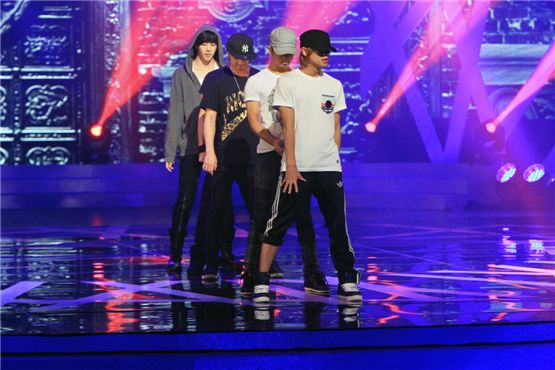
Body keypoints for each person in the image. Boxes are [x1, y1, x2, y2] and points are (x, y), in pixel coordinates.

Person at [253, 30, 362, 303]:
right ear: (305, 51)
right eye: (320, 50)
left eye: (328, 51)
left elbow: (336, 127)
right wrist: (290, 165)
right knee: (277, 223)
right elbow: (288, 128)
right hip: (297, 168)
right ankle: (261, 281)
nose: (325, 55)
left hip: (328, 167)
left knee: (338, 224)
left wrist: (333, 159)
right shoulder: (289, 82)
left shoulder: (334, 85)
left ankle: (347, 278)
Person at [241, 26, 329, 298]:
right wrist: (275, 140)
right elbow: (255, 120)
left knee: (303, 216)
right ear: (270, 50)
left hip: (300, 156)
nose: (285, 59)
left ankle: (312, 274)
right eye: (280, 54)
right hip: (270, 155)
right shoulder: (257, 81)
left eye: (289, 54)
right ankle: (252, 275)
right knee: (262, 216)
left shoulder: (302, 77)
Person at [164, 25, 234, 275]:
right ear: (196, 45)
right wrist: (170, 151)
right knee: (185, 199)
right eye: (204, 44)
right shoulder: (181, 74)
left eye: (213, 44)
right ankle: (175, 253)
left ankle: (224, 251)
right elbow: (174, 113)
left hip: (219, 146)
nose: (208, 48)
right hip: (190, 145)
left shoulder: (225, 73)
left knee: (221, 200)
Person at [200, 33, 260, 283]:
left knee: (259, 213)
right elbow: (210, 117)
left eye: (246, 59)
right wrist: (209, 151)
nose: (242, 63)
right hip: (223, 158)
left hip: (254, 157)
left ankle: (262, 261)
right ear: (229, 56)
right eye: (238, 58)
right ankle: (211, 265)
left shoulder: (259, 78)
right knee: (215, 213)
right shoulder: (217, 79)